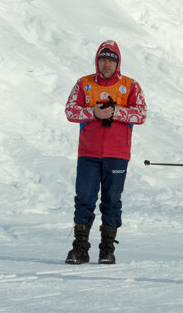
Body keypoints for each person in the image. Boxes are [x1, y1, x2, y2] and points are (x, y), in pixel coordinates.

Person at [63, 40, 147, 264]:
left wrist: (115, 112)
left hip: (117, 153)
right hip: (88, 153)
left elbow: (140, 114)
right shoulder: (84, 84)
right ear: (96, 61)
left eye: (111, 60)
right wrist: (94, 113)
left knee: (111, 200)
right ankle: (80, 248)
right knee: (84, 199)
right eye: (103, 59)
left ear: (118, 62)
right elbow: (70, 111)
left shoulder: (131, 86)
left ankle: (107, 249)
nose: (106, 64)